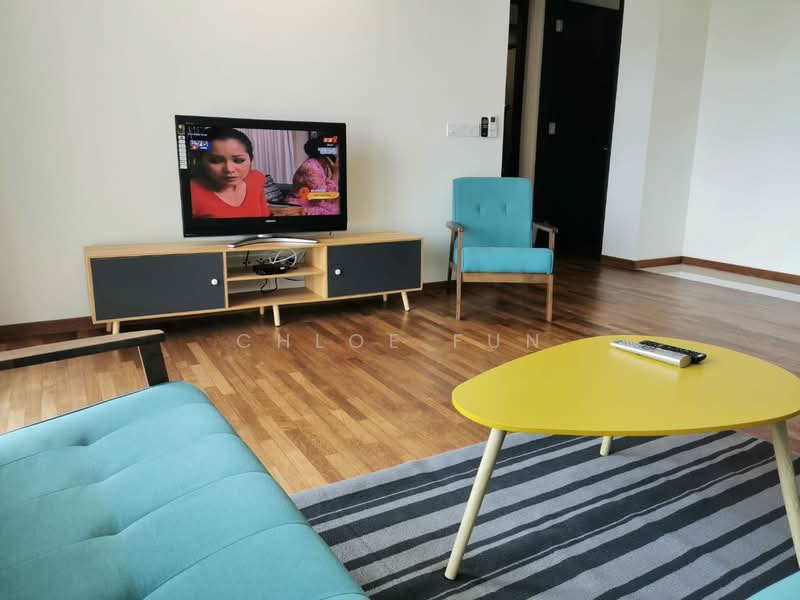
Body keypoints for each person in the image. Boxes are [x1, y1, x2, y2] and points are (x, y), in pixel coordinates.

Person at [190, 128, 270, 218]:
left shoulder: (256, 178)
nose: (229, 169)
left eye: (238, 160)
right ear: (200, 161)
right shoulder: (189, 192)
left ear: (251, 159)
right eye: (216, 161)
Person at [288, 135, 340, 216]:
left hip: (318, 202)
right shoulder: (310, 167)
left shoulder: (326, 164)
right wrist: (336, 174)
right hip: (302, 205)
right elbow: (324, 195)